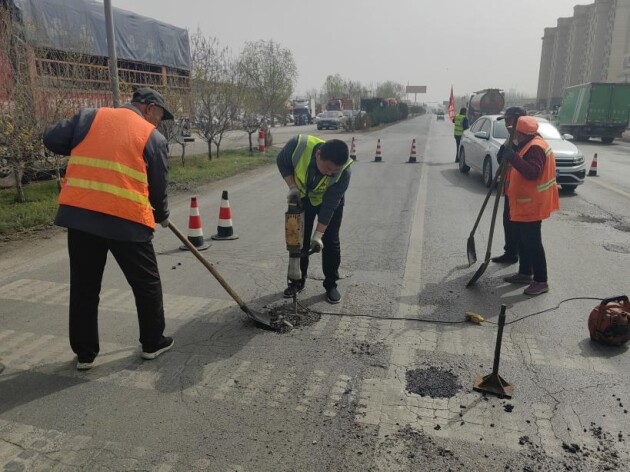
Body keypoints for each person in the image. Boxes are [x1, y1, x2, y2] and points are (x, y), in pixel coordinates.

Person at [43, 87, 175, 370]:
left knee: (84, 287)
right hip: (126, 220)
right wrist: (162, 214)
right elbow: (158, 185)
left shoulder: (90, 118)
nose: (157, 123)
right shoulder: (152, 136)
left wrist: (82, 143)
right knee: (146, 283)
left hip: (81, 217)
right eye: (159, 116)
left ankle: (85, 354)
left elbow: (51, 138)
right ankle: (153, 342)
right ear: (149, 108)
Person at [277, 135, 352, 304]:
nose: (330, 173)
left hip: (329, 202)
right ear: (318, 154)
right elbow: (282, 162)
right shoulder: (298, 146)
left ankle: (331, 284)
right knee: (298, 240)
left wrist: (318, 235)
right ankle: (297, 281)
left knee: (330, 240)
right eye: (328, 168)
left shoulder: (344, 172)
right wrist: (293, 187)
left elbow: (330, 207)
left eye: (335, 170)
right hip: (303, 197)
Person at [501, 116, 559, 295]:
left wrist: (511, 156)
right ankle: (525, 272)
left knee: (532, 243)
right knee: (522, 241)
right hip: (522, 203)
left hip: (532, 205)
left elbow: (533, 172)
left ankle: (541, 281)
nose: (512, 133)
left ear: (521, 132)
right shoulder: (528, 143)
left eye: (514, 131)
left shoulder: (536, 147)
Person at [492, 106, 528, 265]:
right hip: (511, 190)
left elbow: (525, 167)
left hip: (524, 194)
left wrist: (511, 154)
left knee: (521, 229)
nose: (506, 124)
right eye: (505, 120)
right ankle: (510, 252)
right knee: (508, 222)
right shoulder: (511, 139)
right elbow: (501, 157)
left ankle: (525, 267)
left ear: (519, 120)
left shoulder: (526, 140)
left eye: (509, 120)